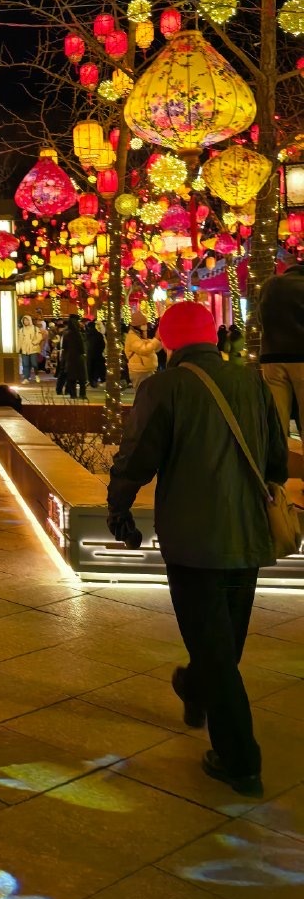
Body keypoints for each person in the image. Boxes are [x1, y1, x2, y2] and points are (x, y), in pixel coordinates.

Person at [108, 301, 287, 798]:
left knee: (216, 649)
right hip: (247, 534)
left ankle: (240, 760)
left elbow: (136, 456)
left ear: (167, 341)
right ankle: (195, 683)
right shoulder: (251, 383)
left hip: (192, 539)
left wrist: (118, 508)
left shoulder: (162, 387)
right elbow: (276, 456)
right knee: (225, 641)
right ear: (213, 337)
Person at [259, 257, 304, 438]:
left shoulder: (270, 285)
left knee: (276, 421)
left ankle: (279, 462)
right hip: (301, 356)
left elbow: (260, 318)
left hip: (272, 358)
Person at [125, 312, 161, 393]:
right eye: (143, 323)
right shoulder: (132, 337)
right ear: (137, 325)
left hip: (146, 370)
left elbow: (153, 348)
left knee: (148, 395)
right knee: (142, 395)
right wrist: (156, 339)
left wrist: (159, 341)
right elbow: (144, 350)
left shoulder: (140, 336)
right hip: (139, 371)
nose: (146, 326)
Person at [57, 313, 88, 399]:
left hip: (69, 358)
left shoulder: (66, 334)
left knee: (71, 378)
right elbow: (81, 347)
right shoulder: (79, 333)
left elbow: (64, 346)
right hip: (79, 357)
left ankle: (73, 394)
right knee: (81, 378)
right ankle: (82, 394)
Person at [18, 315, 41, 382]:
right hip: (24, 349)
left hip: (33, 349)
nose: (26, 321)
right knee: (25, 364)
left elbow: (39, 337)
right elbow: (19, 340)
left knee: (34, 363)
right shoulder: (21, 330)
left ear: (30, 320)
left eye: (27, 320)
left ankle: (36, 375)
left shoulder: (35, 328)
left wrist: (35, 342)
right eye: (24, 320)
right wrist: (18, 349)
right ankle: (26, 378)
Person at [85, 318, 107, 388]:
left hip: (89, 355)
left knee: (91, 368)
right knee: (98, 367)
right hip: (98, 354)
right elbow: (102, 344)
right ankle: (97, 379)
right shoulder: (99, 335)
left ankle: (92, 381)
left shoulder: (86, 335)